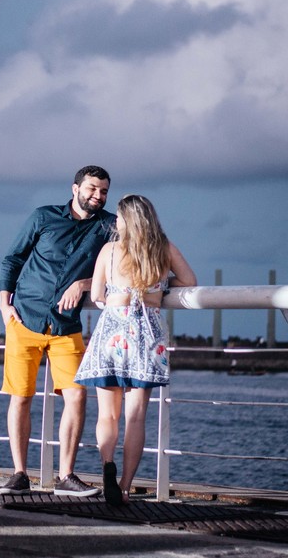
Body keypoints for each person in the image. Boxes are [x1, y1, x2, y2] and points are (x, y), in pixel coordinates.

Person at [0, 165, 116, 497]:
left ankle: (67, 476)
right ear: (75, 187)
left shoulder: (109, 226)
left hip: (66, 325)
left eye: (104, 191)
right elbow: (13, 260)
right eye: (92, 188)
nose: (98, 196)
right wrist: (5, 305)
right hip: (25, 319)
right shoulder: (43, 216)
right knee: (21, 397)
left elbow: (122, 268)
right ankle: (20, 473)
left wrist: (85, 283)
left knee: (76, 395)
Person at [75, 194, 196, 505]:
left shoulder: (110, 250)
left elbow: (99, 293)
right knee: (137, 417)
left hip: (112, 332)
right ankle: (126, 488)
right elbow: (190, 280)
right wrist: (160, 286)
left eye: (118, 216)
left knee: (107, 415)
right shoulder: (164, 249)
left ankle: (107, 469)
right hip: (148, 334)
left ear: (125, 220)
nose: (114, 221)